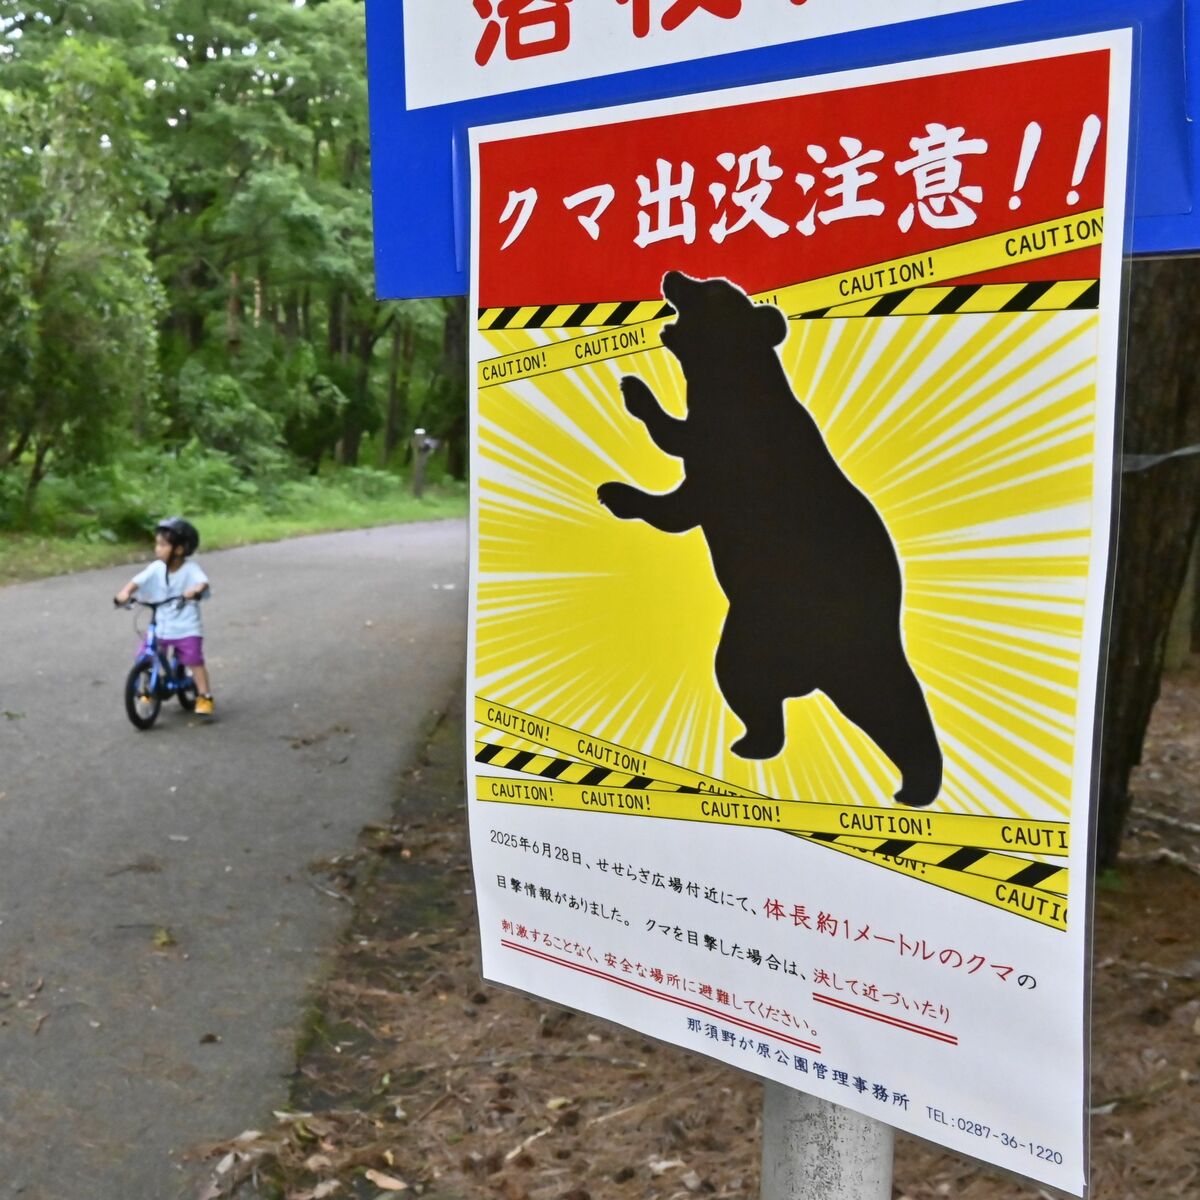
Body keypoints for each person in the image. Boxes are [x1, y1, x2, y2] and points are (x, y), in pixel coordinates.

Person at [114, 517, 215, 717]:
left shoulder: (190, 569)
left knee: (194, 659)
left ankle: (204, 695)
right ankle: (146, 687)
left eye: (163, 545)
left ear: (179, 549)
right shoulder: (156, 568)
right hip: (162, 624)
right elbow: (137, 581)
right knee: (145, 654)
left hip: (186, 626)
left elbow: (202, 582)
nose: (157, 549)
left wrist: (195, 590)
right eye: (157, 544)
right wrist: (125, 593)